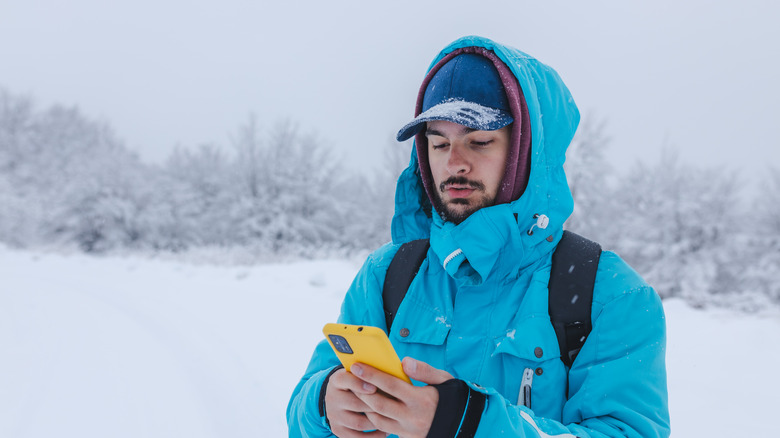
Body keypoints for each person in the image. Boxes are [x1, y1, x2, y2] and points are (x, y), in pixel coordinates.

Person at [287, 35, 670, 438]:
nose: (454, 163)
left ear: (527, 152)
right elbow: (302, 414)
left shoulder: (608, 294)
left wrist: (469, 425)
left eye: (479, 141)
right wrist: (323, 403)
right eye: (439, 143)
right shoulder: (388, 274)